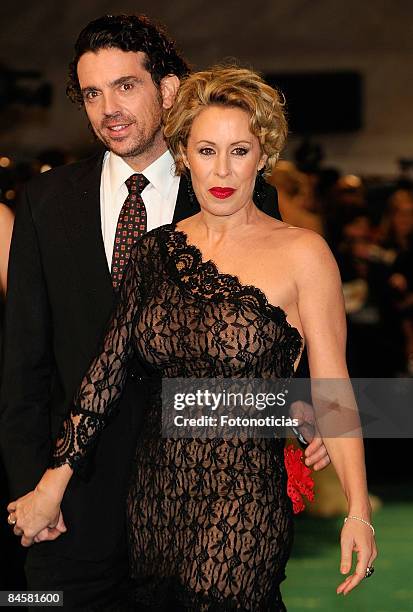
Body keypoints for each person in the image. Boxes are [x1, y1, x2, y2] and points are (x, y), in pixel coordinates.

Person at [7, 65, 376, 611]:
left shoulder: (303, 253)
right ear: (184, 154)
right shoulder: (154, 253)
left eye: (239, 150)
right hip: (153, 503)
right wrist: (51, 485)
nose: (221, 169)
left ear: (263, 155)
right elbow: (104, 378)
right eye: (206, 150)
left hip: (241, 504)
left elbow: (333, 389)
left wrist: (357, 511)